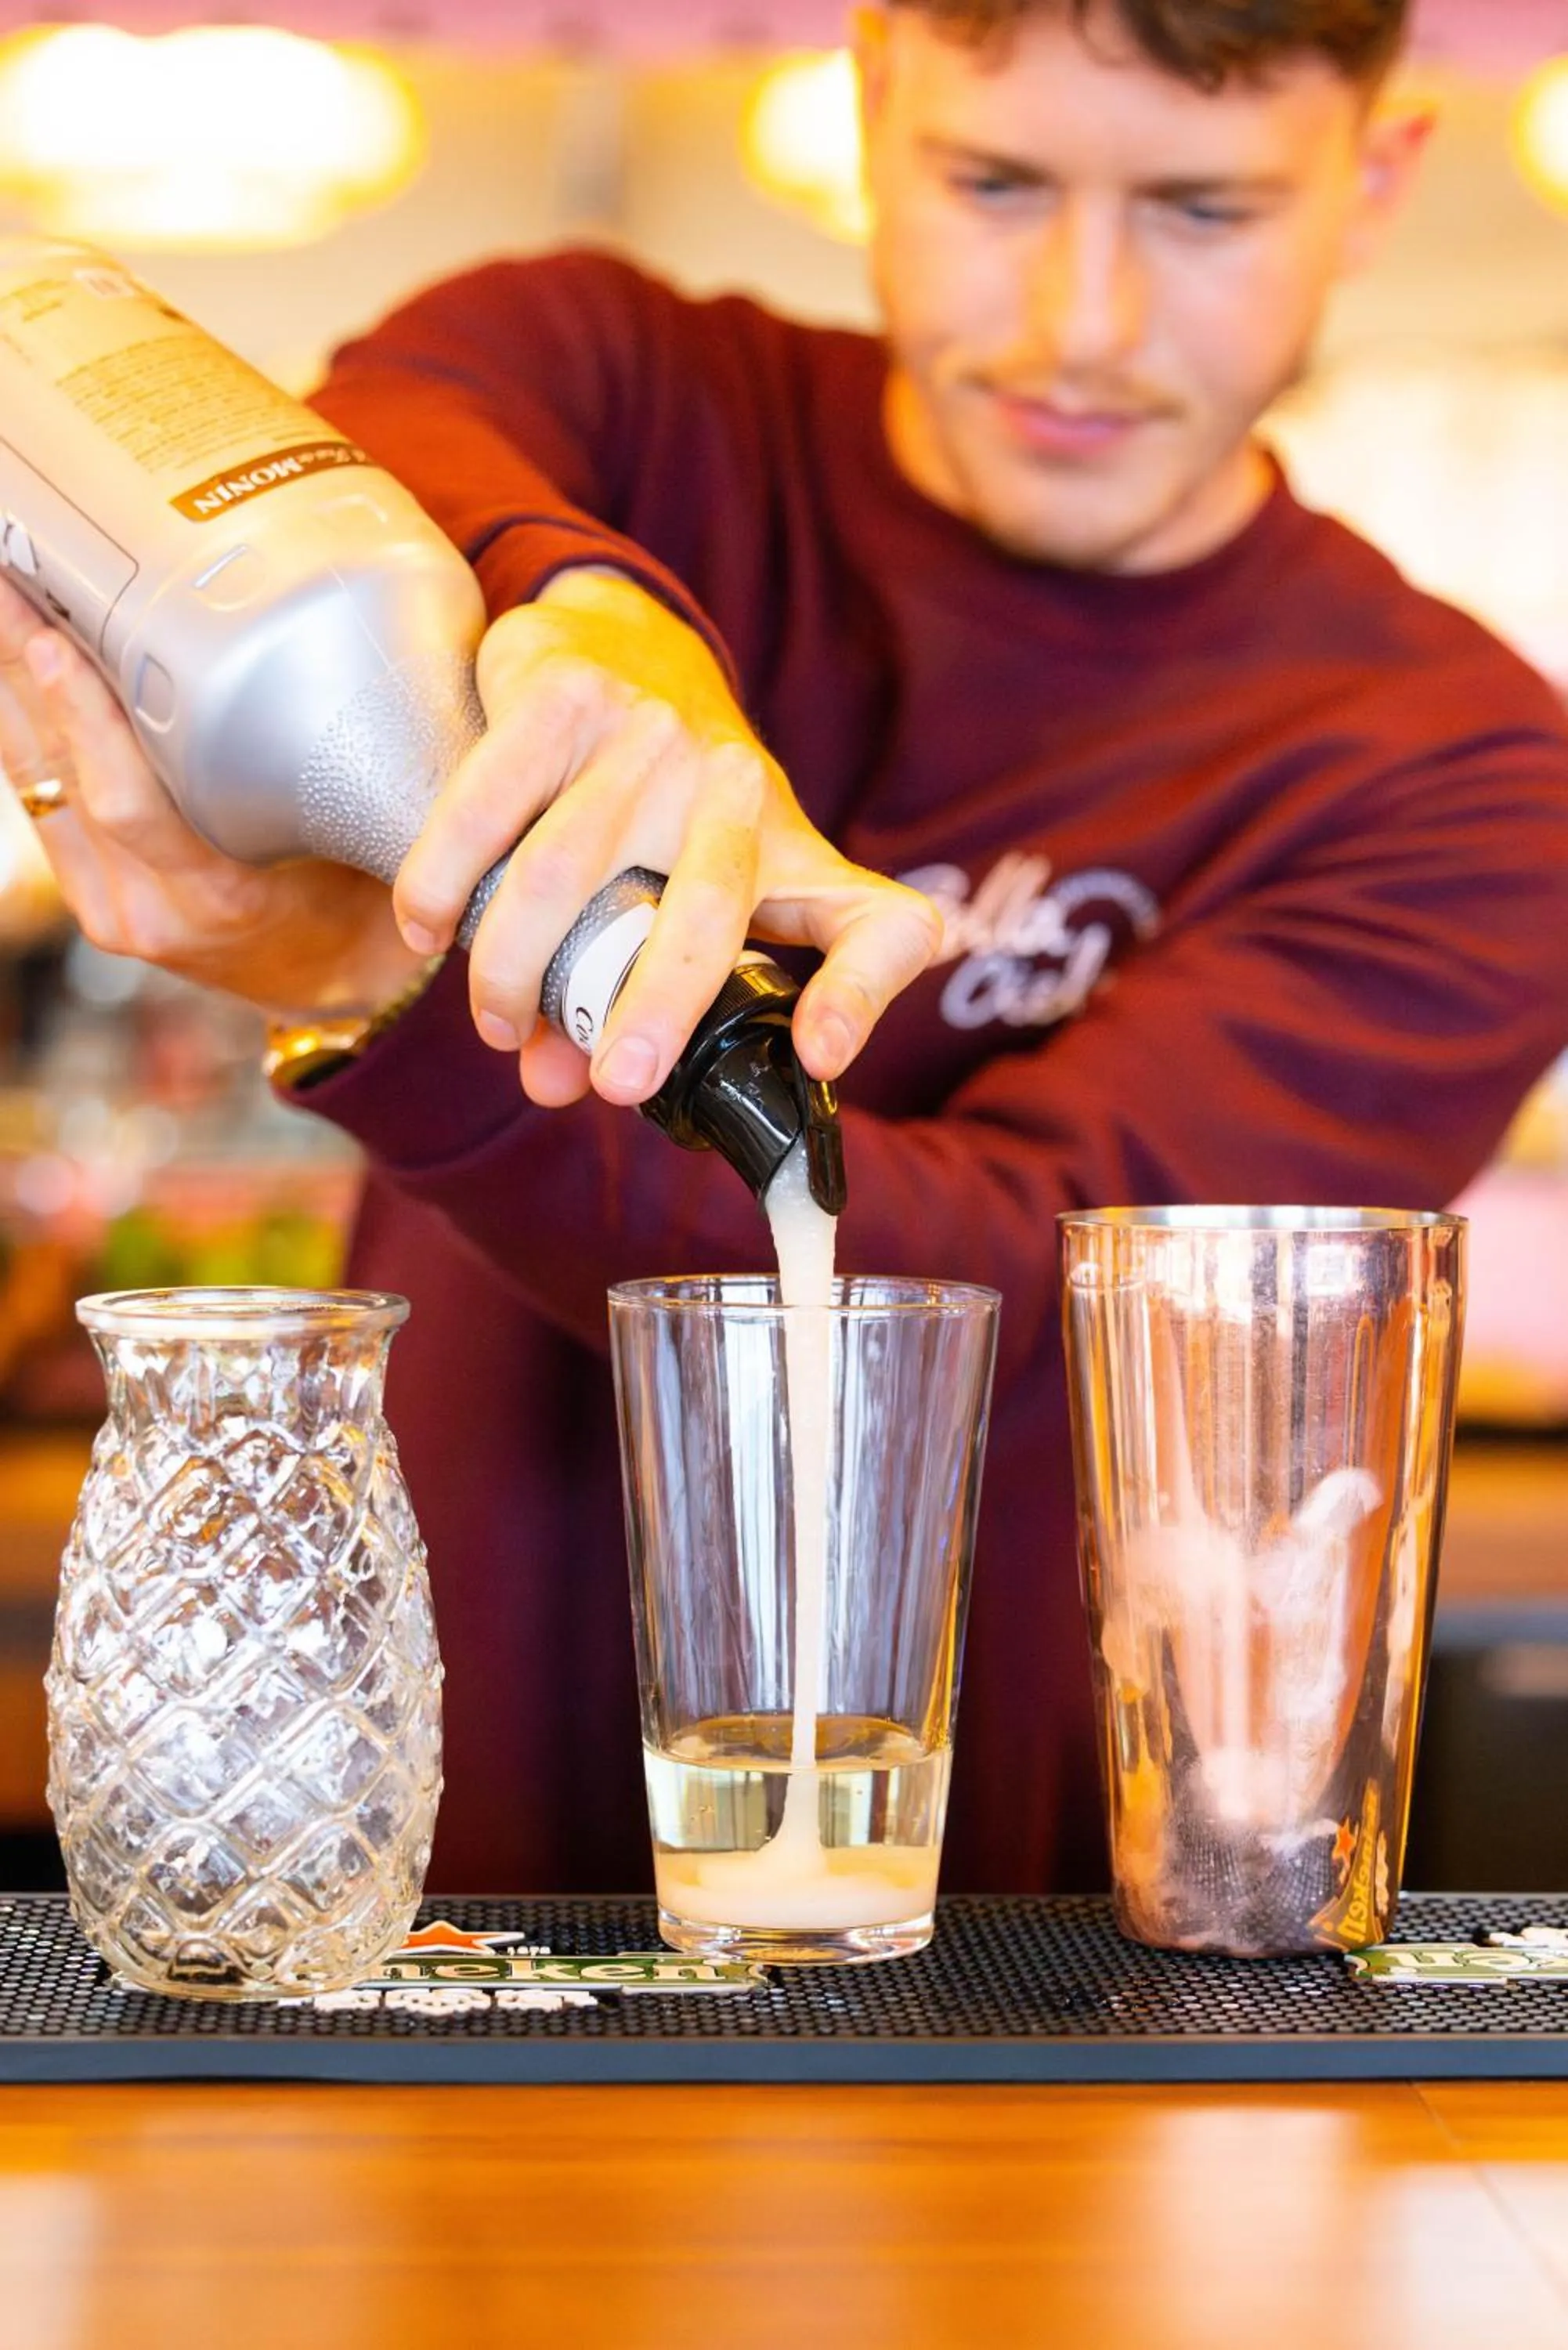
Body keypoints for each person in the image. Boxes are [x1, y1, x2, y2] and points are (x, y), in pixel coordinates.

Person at [3, 0, 1567, 1895]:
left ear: (1373, 175)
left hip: (979, 1913)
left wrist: (378, 983)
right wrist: (590, 616)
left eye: (1200, 209)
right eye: (992, 180)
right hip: (441, 1831)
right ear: (870, 98)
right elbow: (403, 423)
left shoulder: (1456, 769)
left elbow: (1019, 1297)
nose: (1077, 316)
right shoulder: (628, 385)